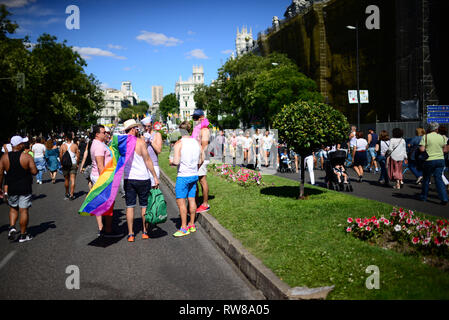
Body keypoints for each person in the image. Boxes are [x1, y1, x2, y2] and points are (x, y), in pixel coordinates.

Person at [122, 119, 160, 242]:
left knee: (130, 206)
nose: (137, 130)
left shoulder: (122, 143)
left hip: (129, 178)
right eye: (136, 128)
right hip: (143, 178)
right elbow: (147, 160)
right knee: (144, 206)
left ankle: (131, 234)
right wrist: (154, 176)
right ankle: (144, 231)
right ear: (133, 129)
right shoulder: (140, 142)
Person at [0, 136, 37, 242]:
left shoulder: (4, 157)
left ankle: (12, 227)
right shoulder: (26, 157)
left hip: (11, 187)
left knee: (13, 208)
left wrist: (0, 187)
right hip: (25, 187)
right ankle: (23, 234)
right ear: (19, 145)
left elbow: (0, 173)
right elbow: (34, 171)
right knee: (24, 210)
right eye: (22, 143)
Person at [170, 121, 203, 237]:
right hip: (194, 174)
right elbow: (201, 160)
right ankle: (192, 224)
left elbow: (176, 161)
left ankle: (184, 227)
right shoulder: (196, 143)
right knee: (192, 200)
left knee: (181, 202)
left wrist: (172, 163)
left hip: (183, 175)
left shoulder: (179, 143)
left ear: (180, 131)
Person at [419, 122, 449, 205]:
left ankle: (424, 196)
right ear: (437, 129)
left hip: (429, 160)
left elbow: (421, 149)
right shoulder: (442, 137)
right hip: (440, 159)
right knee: (438, 179)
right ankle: (444, 198)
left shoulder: (425, 137)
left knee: (426, 179)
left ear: (429, 128)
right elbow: (446, 150)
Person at [191, 109, 211, 214]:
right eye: (193, 117)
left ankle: (205, 204)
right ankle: (196, 202)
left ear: (202, 117)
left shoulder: (204, 130)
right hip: (197, 157)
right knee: (197, 180)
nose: (194, 120)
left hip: (202, 157)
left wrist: (200, 160)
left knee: (202, 180)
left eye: (196, 117)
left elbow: (204, 146)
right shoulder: (198, 129)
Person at [142, 116, 162, 187]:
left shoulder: (157, 135)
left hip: (153, 164)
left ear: (152, 125)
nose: (147, 128)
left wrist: (151, 141)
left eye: (148, 126)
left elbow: (159, 150)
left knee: (154, 188)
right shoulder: (142, 136)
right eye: (145, 126)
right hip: (143, 166)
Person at [60, 132, 79, 200]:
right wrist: (77, 163)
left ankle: (66, 192)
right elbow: (78, 155)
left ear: (66, 138)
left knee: (66, 179)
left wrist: (61, 163)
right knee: (73, 180)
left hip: (65, 164)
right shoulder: (75, 146)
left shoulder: (63, 146)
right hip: (73, 163)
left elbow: (60, 156)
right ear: (72, 137)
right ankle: (71, 194)